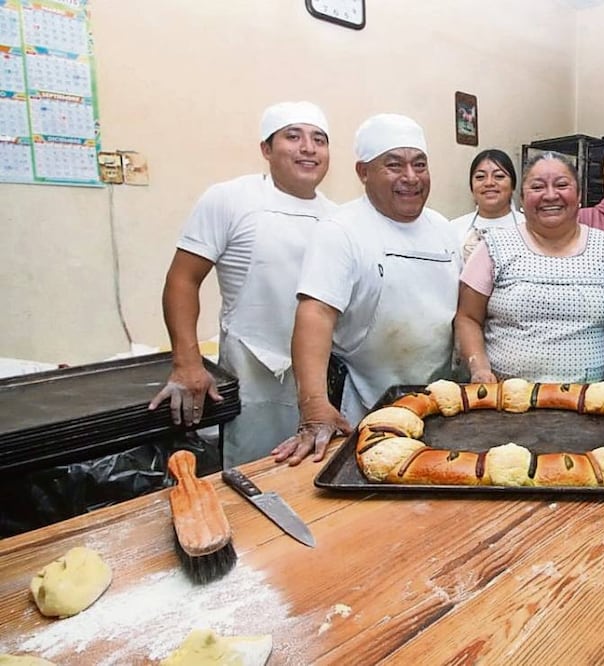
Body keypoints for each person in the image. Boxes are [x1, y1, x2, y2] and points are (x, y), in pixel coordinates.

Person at [149, 101, 334, 467]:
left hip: (319, 377)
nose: (308, 148)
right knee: (254, 476)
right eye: (292, 136)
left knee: (313, 475)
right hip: (251, 371)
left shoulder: (337, 216)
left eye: (319, 139)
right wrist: (187, 363)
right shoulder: (230, 199)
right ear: (266, 149)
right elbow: (183, 279)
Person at [271, 113, 461, 465]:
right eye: (394, 165)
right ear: (363, 172)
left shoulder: (444, 230)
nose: (410, 177)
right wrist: (314, 407)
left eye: (420, 165)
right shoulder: (340, 230)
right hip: (359, 403)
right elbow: (315, 314)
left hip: (432, 401)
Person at [455, 152, 604, 383]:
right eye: (537, 187)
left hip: (590, 400)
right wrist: (479, 368)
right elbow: (467, 317)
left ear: (579, 195)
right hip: (505, 398)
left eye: (562, 185)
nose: (550, 195)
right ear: (523, 199)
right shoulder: (494, 246)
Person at [448, 149, 519, 262]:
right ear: (471, 187)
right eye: (480, 177)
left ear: (513, 185)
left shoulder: (531, 227)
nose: (489, 183)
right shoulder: (453, 228)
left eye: (499, 176)